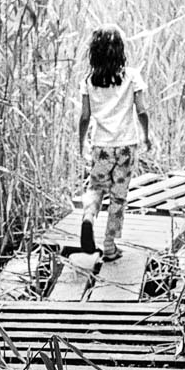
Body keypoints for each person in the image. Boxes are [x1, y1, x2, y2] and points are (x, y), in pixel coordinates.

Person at [78, 25, 151, 262]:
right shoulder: (131, 77)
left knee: (95, 188)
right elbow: (141, 111)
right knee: (118, 197)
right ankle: (109, 247)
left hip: (101, 147)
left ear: (94, 52)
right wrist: (146, 136)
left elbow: (85, 117)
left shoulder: (89, 81)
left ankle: (88, 217)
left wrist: (82, 143)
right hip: (126, 147)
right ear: (120, 50)